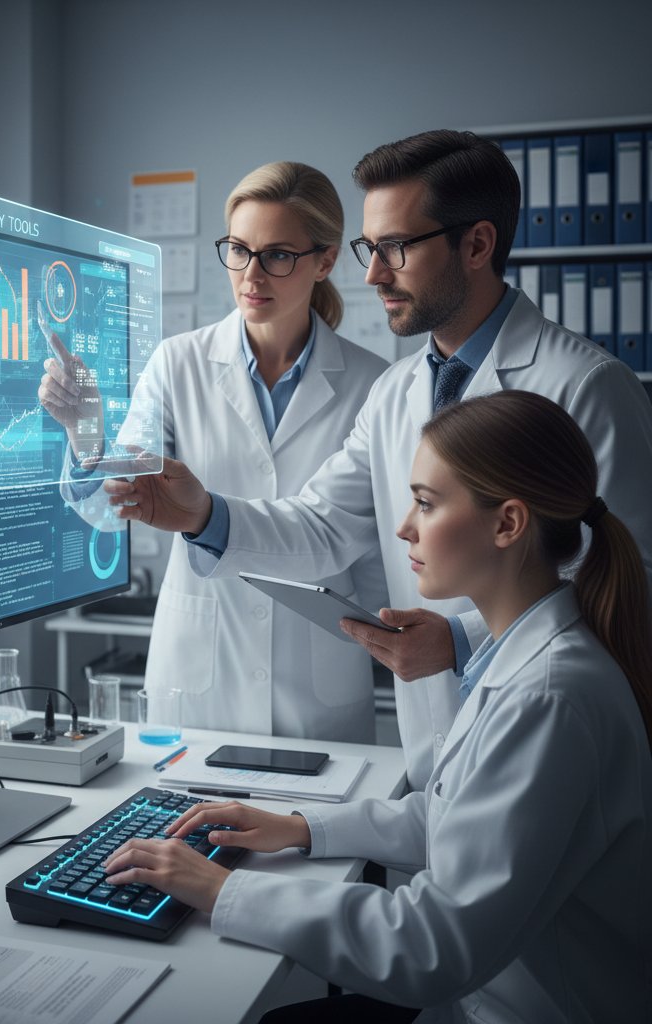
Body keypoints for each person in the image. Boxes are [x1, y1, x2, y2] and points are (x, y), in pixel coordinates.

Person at [101, 130, 652, 789]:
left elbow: (629, 581)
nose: (370, 274)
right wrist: (206, 515)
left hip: (555, 745)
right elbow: (321, 527)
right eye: (369, 247)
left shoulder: (585, 385)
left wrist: (460, 642)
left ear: (476, 244)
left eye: (395, 247)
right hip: (431, 757)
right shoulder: (396, 395)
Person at [104, 390, 652, 1023]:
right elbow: (455, 818)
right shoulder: (529, 655)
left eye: (425, 502)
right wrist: (304, 828)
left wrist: (223, 889)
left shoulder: (550, 696)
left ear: (507, 524)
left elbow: (432, 945)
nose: (403, 528)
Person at [39, 162, 388, 741]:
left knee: (315, 829)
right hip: (199, 682)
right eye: (238, 250)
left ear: (325, 262)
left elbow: (375, 562)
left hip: (317, 690)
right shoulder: (179, 364)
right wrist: (87, 437)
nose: (251, 274)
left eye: (277, 255)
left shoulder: (373, 383)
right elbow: (114, 508)